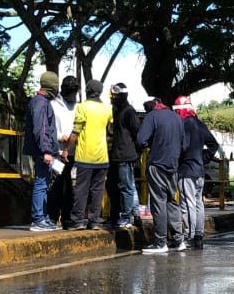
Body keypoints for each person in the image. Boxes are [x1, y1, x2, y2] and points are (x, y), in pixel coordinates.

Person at [135, 97, 184, 253]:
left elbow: (140, 140)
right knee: (172, 201)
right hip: (173, 165)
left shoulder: (152, 116)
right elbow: (184, 143)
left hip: (157, 164)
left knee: (159, 202)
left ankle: (160, 242)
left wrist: (151, 144)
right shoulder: (176, 117)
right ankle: (178, 240)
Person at [173, 95, 221, 249]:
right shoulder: (200, 124)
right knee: (198, 203)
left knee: (188, 204)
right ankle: (199, 235)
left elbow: (183, 147)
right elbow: (213, 145)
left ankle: (190, 236)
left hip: (186, 170)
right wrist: (202, 158)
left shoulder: (183, 125)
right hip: (199, 171)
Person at [67, 79, 112, 229]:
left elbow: (76, 131)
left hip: (85, 156)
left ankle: (78, 220)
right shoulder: (107, 109)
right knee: (97, 190)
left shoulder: (82, 107)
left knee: (81, 189)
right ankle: (95, 221)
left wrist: (66, 149)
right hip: (102, 156)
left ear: (88, 91)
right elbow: (110, 130)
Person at [22, 71, 60, 231]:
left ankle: (43, 217)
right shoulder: (41, 103)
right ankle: (38, 219)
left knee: (43, 184)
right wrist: (46, 151)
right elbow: (42, 128)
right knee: (41, 184)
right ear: (52, 86)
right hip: (42, 151)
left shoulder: (38, 102)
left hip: (41, 150)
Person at [106, 82, 142, 229]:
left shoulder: (129, 112)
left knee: (126, 187)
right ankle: (131, 214)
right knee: (122, 186)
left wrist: (135, 152)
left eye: (113, 96)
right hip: (118, 155)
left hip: (125, 156)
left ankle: (126, 217)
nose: (111, 98)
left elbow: (138, 134)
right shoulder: (118, 111)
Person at [47, 75, 79, 228]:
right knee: (56, 184)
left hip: (73, 152)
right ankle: (52, 217)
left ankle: (67, 217)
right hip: (58, 153)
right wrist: (60, 137)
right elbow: (49, 128)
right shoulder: (53, 105)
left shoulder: (78, 106)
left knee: (69, 186)